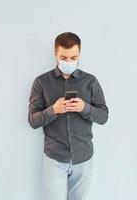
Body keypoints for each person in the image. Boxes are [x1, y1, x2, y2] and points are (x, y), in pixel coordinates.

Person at [28, 32, 109, 200]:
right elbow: (33, 121)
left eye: (73, 57)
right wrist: (53, 110)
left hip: (84, 158)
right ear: (55, 53)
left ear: (79, 54)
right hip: (54, 158)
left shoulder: (90, 81)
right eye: (64, 57)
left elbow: (103, 116)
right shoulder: (41, 82)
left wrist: (84, 107)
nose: (69, 62)